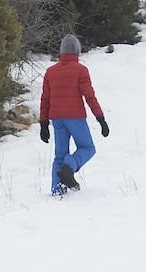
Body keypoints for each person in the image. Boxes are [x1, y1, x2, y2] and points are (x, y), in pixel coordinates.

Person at [39, 34, 109, 196]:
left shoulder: (51, 72)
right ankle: (69, 167)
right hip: (75, 116)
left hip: (57, 118)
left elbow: (45, 99)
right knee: (87, 148)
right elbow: (89, 96)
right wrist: (101, 119)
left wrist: (43, 124)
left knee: (60, 154)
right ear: (77, 51)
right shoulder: (81, 70)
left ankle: (57, 189)